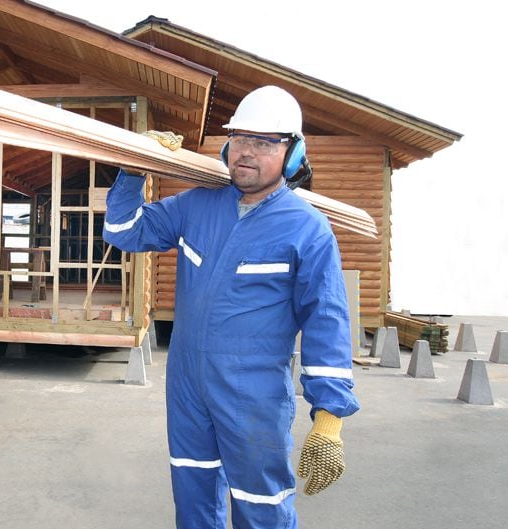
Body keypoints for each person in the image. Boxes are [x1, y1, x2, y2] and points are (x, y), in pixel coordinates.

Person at [102, 85, 360, 529]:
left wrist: (330, 418)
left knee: (261, 504)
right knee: (193, 493)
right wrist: (131, 170)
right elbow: (122, 230)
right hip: (187, 387)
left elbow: (327, 322)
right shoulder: (195, 205)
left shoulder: (307, 229)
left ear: (292, 154)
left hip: (253, 395)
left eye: (263, 143)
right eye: (240, 138)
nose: (246, 152)